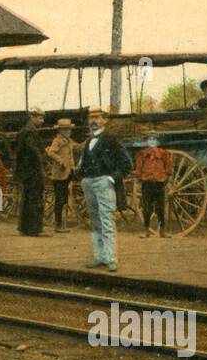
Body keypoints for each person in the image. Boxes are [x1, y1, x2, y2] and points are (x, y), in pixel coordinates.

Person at [75, 108, 132, 272]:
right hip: (88, 183)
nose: (93, 121)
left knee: (106, 220)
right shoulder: (88, 141)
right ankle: (100, 257)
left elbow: (127, 163)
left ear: (104, 120)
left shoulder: (111, 139)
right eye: (90, 117)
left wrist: (112, 178)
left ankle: (111, 259)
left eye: (97, 117)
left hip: (103, 182)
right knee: (95, 220)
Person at [133, 132, 173, 238]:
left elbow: (168, 167)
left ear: (157, 142)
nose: (152, 141)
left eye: (154, 140)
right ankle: (146, 231)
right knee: (147, 207)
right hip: (147, 183)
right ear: (146, 142)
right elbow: (138, 168)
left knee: (160, 207)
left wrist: (166, 177)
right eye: (149, 140)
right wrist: (138, 177)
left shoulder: (163, 153)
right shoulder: (142, 154)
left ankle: (162, 231)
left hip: (159, 183)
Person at [14, 108, 46, 236]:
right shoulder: (29, 132)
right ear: (32, 117)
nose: (42, 121)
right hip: (32, 170)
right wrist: (42, 159)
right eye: (39, 118)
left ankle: (24, 228)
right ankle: (34, 229)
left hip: (26, 170)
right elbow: (33, 150)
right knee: (35, 198)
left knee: (27, 198)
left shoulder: (27, 130)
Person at [45, 118, 77, 233]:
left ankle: (63, 224)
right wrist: (61, 161)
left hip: (67, 173)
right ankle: (57, 225)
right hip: (59, 175)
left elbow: (73, 152)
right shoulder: (57, 141)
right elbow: (51, 152)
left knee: (64, 199)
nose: (68, 131)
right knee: (59, 199)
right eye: (65, 129)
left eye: (69, 129)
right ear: (60, 131)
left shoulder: (69, 141)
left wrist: (72, 166)